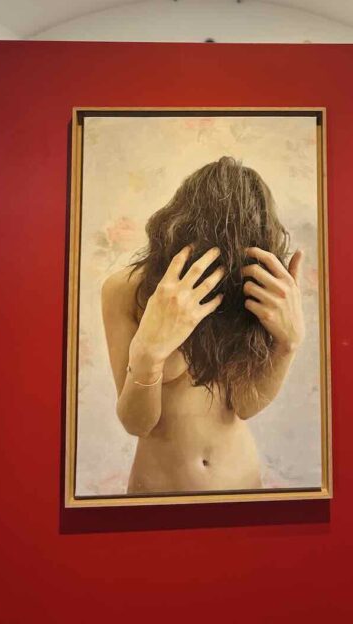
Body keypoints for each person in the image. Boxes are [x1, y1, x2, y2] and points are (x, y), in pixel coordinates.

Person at [101, 156, 305, 494]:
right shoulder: (126, 289)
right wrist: (149, 352)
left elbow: (244, 405)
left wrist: (288, 345)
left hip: (241, 482)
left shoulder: (249, 287)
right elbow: (137, 423)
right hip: (157, 490)